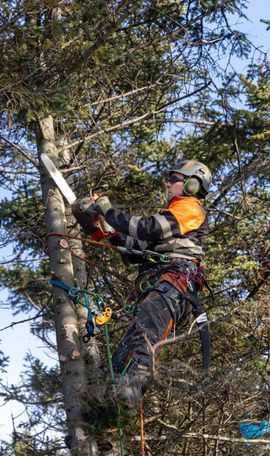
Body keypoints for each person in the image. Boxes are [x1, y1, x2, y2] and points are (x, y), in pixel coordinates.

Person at [79, 160, 212, 418]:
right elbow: (135, 252)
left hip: (173, 285)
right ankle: (103, 414)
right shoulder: (176, 218)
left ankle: (126, 397)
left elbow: (146, 228)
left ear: (191, 184)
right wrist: (104, 232)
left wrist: (108, 211)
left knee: (144, 338)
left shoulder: (190, 208)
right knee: (125, 350)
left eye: (174, 178)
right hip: (161, 284)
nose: (168, 183)